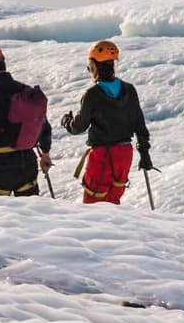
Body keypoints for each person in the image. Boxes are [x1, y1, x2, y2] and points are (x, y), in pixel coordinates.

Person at [60, 40, 154, 205]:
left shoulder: (92, 94)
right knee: (113, 202)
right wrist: (145, 154)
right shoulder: (129, 89)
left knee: (93, 203)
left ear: (94, 66)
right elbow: (140, 125)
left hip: (102, 155)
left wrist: (67, 121)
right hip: (124, 154)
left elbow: (78, 127)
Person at [0, 43, 52, 197]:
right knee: (31, 210)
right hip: (28, 162)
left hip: (1, 165)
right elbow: (43, 124)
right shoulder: (25, 91)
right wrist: (45, 153)